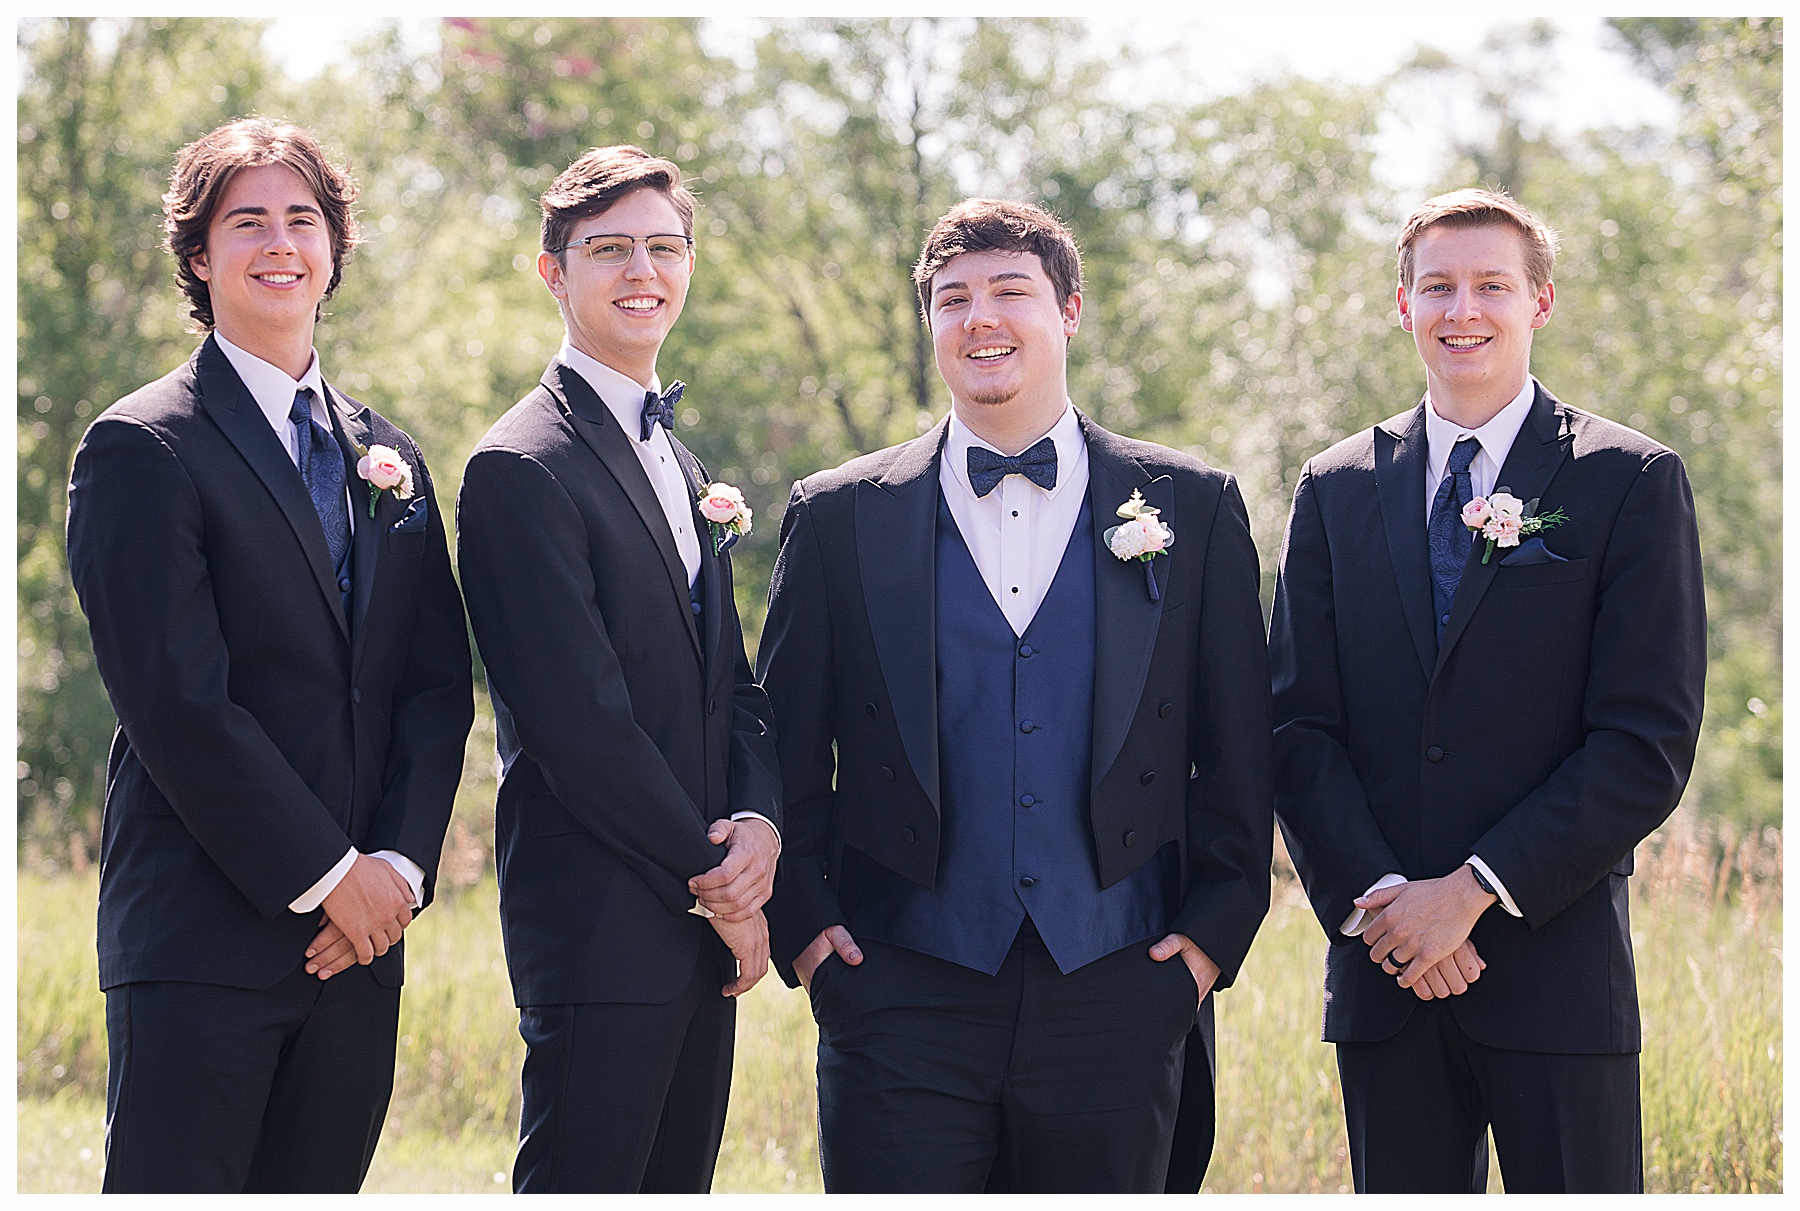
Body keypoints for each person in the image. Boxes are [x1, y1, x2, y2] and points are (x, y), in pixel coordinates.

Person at [756, 198, 1272, 1193]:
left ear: (1070, 309)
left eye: (1010, 292)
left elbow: (1240, 748)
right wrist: (811, 932)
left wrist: (1206, 942)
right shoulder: (838, 514)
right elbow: (783, 744)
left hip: (1122, 977)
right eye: (953, 299)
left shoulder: (1193, 506)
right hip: (898, 980)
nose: (980, 318)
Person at [64, 117, 474, 1192]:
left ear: (334, 247)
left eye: (303, 218)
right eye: (246, 221)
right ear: (199, 257)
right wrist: (328, 875)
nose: (279, 242)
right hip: (202, 937)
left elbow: (435, 689)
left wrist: (393, 870)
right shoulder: (142, 447)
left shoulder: (390, 454)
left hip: (360, 952)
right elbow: (177, 705)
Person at [1269, 188, 1706, 1192]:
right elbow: (1297, 724)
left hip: (1555, 970)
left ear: (1540, 302)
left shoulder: (1627, 478)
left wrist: (1468, 894)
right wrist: (1387, 907)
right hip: (1386, 975)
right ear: (1403, 302)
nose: (1463, 309)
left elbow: (1645, 741)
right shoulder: (1333, 485)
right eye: (1438, 287)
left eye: (1491, 285)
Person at [456, 145, 782, 1193]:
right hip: (600, 922)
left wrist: (761, 829)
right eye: (610, 249)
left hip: (694, 929)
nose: (643, 270)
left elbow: (728, 685)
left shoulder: (681, 462)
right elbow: (577, 722)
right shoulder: (519, 465)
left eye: (664, 246)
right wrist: (720, 885)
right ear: (553, 272)